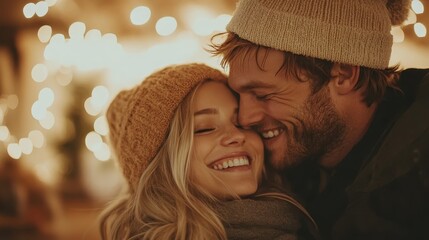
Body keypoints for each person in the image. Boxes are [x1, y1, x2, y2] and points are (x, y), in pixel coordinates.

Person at [210, 0, 429, 239]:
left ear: (344, 75)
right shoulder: (299, 171)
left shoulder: (413, 187)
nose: (245, 118)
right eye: (239, 96)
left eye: (264, 95)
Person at [99, 63, 319, 240]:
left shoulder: (303, 215)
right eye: (204, 128)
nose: (236, 135)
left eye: (242, 124)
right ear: (160, 163)